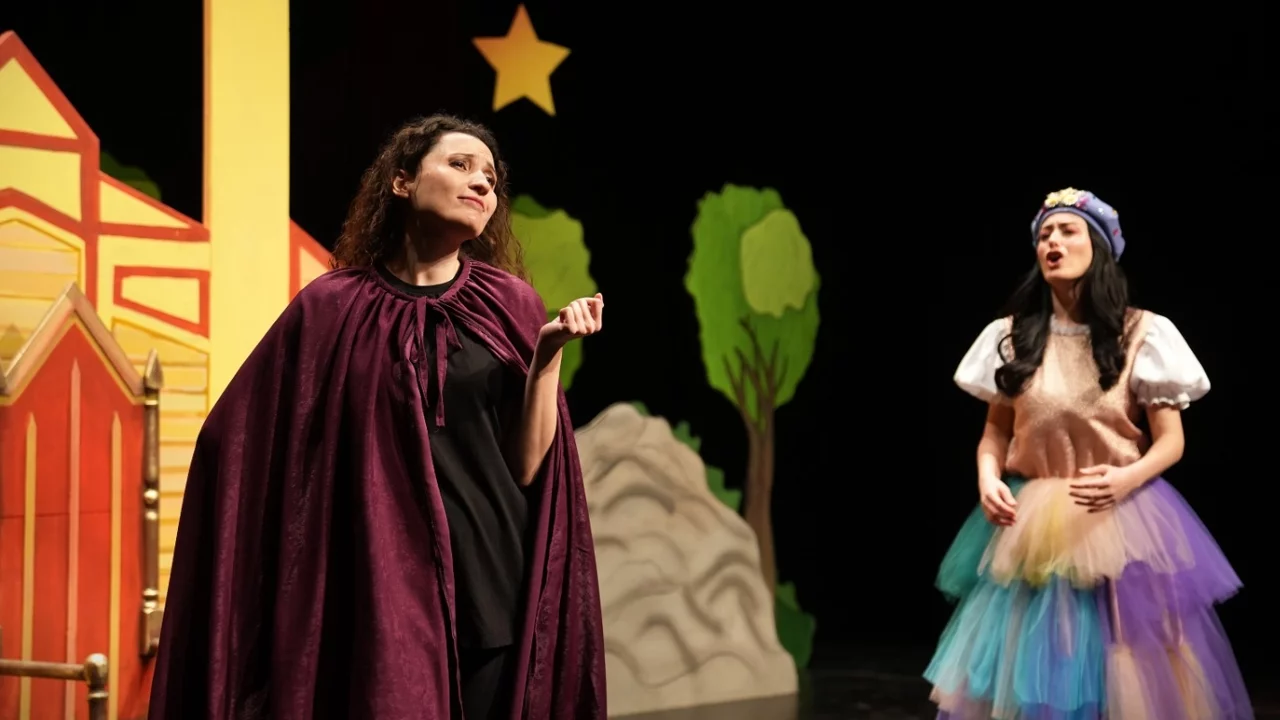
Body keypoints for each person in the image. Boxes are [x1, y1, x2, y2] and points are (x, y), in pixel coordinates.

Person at [149, 114, 608, 720]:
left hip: (491, 584)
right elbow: (237, 438)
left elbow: (527, 469)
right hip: (378, 593)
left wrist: (546, 355)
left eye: (491, 179)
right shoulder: (331, 307)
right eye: (460, 165)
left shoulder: (509, 303)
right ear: (401, 181)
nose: (481, 184)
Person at [924, 188, 1253, 718]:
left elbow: (1172, 441)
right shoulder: (1012, 337)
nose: (1052, 242)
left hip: (1118, 515)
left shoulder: (1142, 334)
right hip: (1032, 524)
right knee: (1038, 663)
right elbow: (995, 434)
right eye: (1044, 235)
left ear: (1098, 247)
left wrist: (1127, 479)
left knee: (1129, 665)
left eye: (1067, 231)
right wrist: (988, 477)